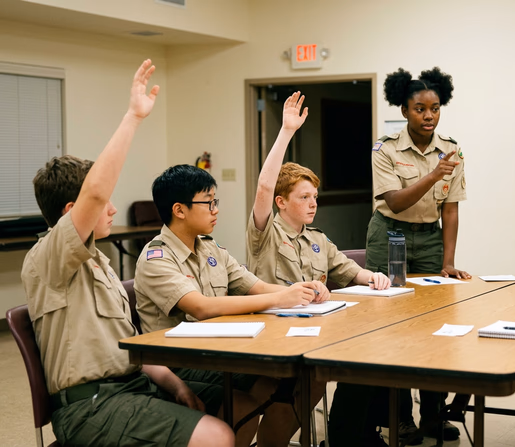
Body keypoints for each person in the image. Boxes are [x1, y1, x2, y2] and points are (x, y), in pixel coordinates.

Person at [22, 60, 234, 447]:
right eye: (104, 205)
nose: (113, 209)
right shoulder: (49, 257)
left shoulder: (100, 263)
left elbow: (134, 348)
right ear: (74, 211)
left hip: (133, 384)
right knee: (216, 435)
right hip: (92, 405)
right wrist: (134, 117)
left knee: (246, 389)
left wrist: (176, 385)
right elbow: (96, 193)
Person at [134, 164, 325, 447]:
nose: (215, 209)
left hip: (221, 348)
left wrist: (302, 291)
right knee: (249, 399)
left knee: (298, 379)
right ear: (179, 210)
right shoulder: (156, 257)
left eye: (216, 201)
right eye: (208, 202)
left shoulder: (210, 248)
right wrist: (280, 298)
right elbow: (200, 307)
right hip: (180, 361)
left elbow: (255, 286)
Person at [368, 66, 468, 443]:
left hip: (429, 236)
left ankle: (433, 415)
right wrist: (431, 175)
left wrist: (448, 262)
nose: (429, 116)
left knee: (433, 326)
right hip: (389, 232)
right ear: (404, 110)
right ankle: (399, 417)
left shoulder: (452, 148)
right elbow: (394, 200)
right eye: (420, 109)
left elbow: (452, 208)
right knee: (392, 326)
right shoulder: (385, 148)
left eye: (435, 108)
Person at [245, 91, 391, 292]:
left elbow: (351, 271)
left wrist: (374, 277)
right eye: (304, 197)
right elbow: (265, 186)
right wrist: (287, 131)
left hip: (314, 316)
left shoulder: (317, 239)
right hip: (275, 316)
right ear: (281, 202)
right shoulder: (265, 234)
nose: (313, 204)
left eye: (314, 197)